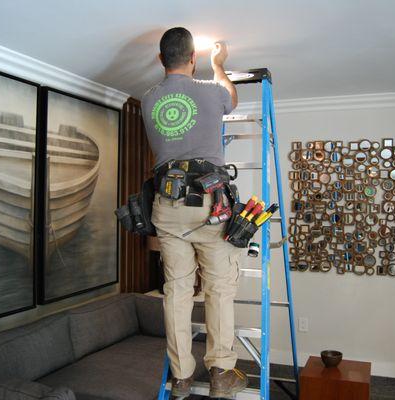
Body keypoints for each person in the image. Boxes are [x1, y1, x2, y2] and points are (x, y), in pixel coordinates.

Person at [141, 27, 247, 399]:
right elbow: (231, 99)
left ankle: (181, 378)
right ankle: (220, 373)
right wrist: (220, 65)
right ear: (194, 58)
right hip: (209, 204)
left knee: (178, 291)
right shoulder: (210, 90)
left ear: (160, 59)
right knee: (218, 289)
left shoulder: (148, 98)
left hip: (167, 206)